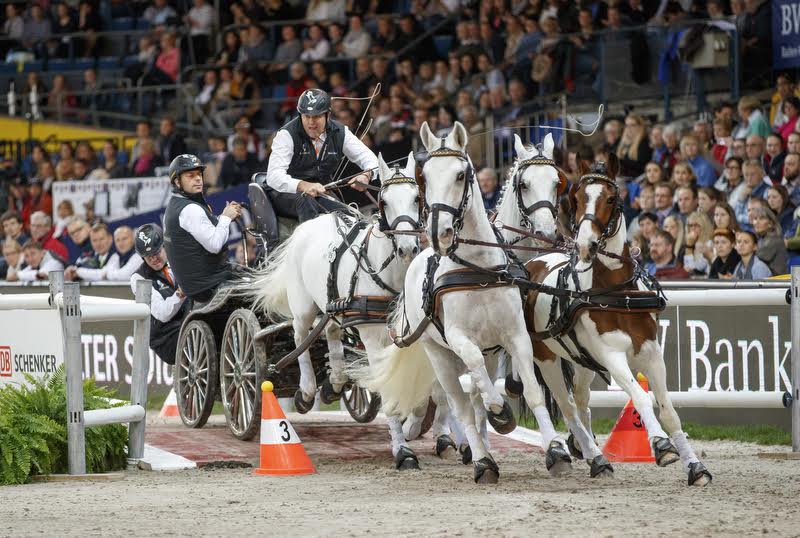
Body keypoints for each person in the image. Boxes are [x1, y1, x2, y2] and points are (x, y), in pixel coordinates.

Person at [261, 89, 378, 248]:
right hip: (286, 194)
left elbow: (369, 159)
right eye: (306, 116)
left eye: (316, 116)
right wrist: (304, 185)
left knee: (350, 216)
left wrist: (366, 175)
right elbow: (274, 176)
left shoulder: (340, 132)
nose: (310, 122)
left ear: (327, 114)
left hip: (320, 192)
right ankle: (312, 250)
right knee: (305, 199)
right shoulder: (286, 135)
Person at [163, 154, 241, 303]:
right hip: (209, 285)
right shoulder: (190, 209)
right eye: (190, 175)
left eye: (199, 174)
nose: (198, 179)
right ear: (177, 182)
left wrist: (224, 218)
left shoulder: (176, 205)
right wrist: (225, 218)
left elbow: (198, 232)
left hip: (196, 285)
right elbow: (214, 245)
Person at [130, 223, 189, 365]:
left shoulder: (180, 259)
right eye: (148, 256)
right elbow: (163, 313)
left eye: (156, 252)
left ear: (164, 246)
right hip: (165, 337)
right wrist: (182, 292)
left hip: (188, 322)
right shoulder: (138, 278)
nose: (153, 259)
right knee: (197, 333)